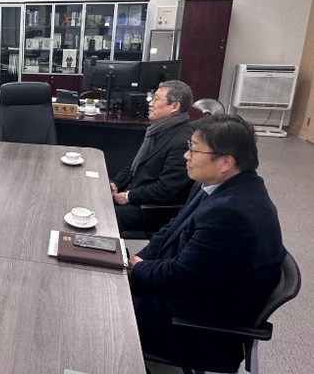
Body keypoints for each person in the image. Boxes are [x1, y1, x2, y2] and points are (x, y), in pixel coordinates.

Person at [128, 114, 285, 372]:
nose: (186, 156)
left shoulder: (231, 213)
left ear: (225, 162)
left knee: (101, 310)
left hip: (196, 327)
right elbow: (172, 228)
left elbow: (180, 276)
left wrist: (138, 269)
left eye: (193, 149)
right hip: (191, 294)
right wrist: (138, 261)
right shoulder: (215, 185)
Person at [110, 80, 194, 234]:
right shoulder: (156, 130)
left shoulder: (182, 141)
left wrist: (129, 196)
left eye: (156, 99)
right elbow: (134, 164)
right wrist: (115, 183)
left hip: (152, 209)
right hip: (137, 194)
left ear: (174, 107)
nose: (150, 103)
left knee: (106, 216)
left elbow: (166, 189)